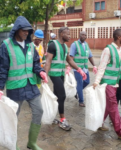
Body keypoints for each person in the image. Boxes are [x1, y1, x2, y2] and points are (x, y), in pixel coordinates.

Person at [0, 16, 48, 150]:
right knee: (13, 117)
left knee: (39, 110)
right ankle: (13, 145)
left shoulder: (31, 46)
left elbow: (35, 65)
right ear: (16, 30)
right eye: (24, 30)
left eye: (28, 31)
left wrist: (41, 72)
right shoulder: (6, 46)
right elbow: (2, 69)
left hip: (31, 85)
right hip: (15, 88)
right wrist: (0, 88)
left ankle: (32, 143)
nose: (26, 33)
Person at [44, 27, 87, 131]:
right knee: (62, 95)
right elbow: (48, 61)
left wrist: (79, 70)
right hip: (54, 74)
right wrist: (45, 74)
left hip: (61, 74)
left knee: (56, 95)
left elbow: (69, 60)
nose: (69, 36)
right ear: (61, 33)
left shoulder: (64, 46)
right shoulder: (52, 45)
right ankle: (62, 119)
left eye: (69, 34)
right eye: (67, 34)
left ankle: (52, 116)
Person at [68, 31, 97, 107]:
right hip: (77, 68)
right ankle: (81, 101)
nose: (84, 36)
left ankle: (77, 91)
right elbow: (71, 57)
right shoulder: (74, 44)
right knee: (80, 83)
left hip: (85, 68)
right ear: (79, 36)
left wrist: (94, 65)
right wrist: (69, 67)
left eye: (85, 35)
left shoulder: (86, 45)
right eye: (82, 35)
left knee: (87, 81)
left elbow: (90, 56)